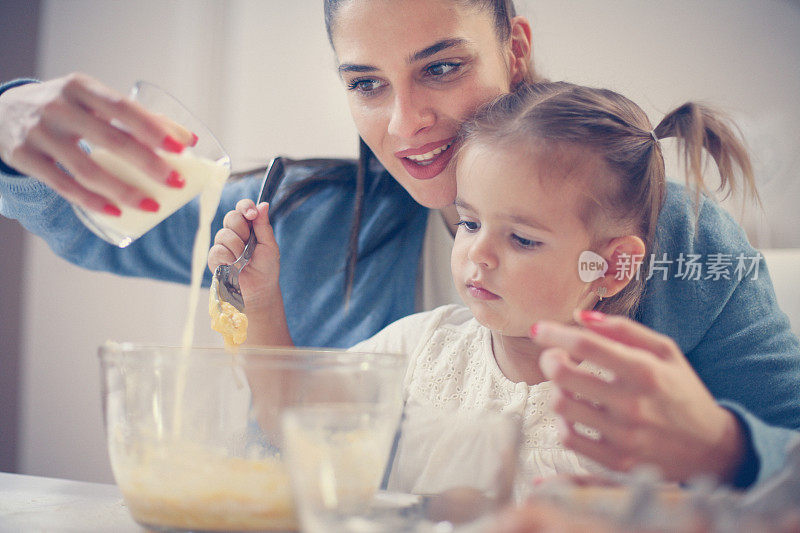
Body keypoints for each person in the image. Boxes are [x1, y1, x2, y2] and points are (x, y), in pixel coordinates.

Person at [0, 0, 798, 487]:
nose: (404, 122)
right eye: (366, 83)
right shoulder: (301, 223)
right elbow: (85, 218)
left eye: (441, 67)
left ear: (514, 50)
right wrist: (12, 117)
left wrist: (724, 446)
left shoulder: (682, 240)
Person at [213, 80, 765, 489]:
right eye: (470, 222)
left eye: (522, 239)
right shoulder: (422, 347)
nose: (478, 252)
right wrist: (261, 301)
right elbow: (290, 420)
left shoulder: (634, 404)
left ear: (611, 267)